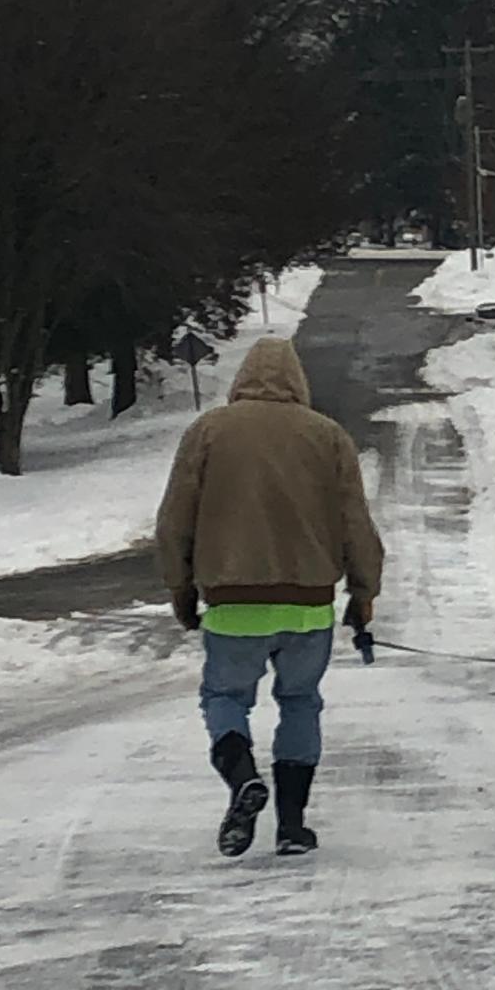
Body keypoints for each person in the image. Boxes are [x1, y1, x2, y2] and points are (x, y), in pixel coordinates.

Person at [155, 337, 383, 858]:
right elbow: (355, 523)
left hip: (233, 603)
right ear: (298, 380)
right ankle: (292, 826)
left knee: (225, 698)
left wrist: (181, 587)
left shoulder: (208, 431)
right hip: (308, 605)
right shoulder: (327, 436)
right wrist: (363, 593)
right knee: (300, 702)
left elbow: (175, 520)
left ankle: (241, 779)